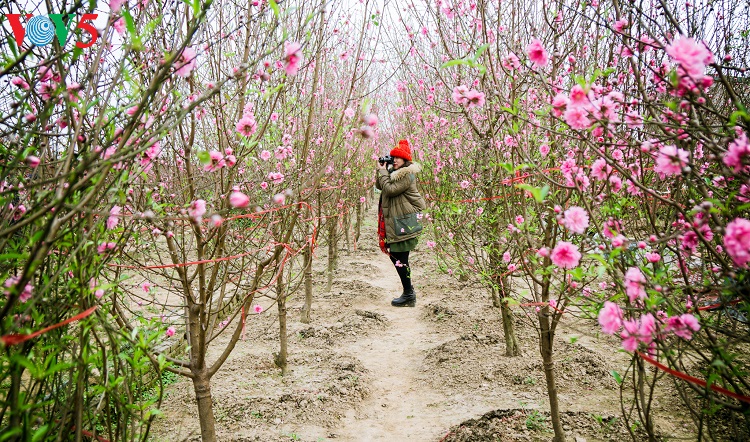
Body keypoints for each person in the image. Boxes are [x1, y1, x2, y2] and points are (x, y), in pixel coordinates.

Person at [375, 139, 426, 307]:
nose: (395, 160)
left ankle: (409, 294)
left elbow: (390, 189)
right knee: (398, 257)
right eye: (393, 157)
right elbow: (380, 186)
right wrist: (381, 169)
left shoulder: (406, 174)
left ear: (405, 159)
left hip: (405, 222)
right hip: (399, 221)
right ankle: (408, 292)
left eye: (398, 157)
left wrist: (384, 172)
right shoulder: (394, 172)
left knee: (400, 257)